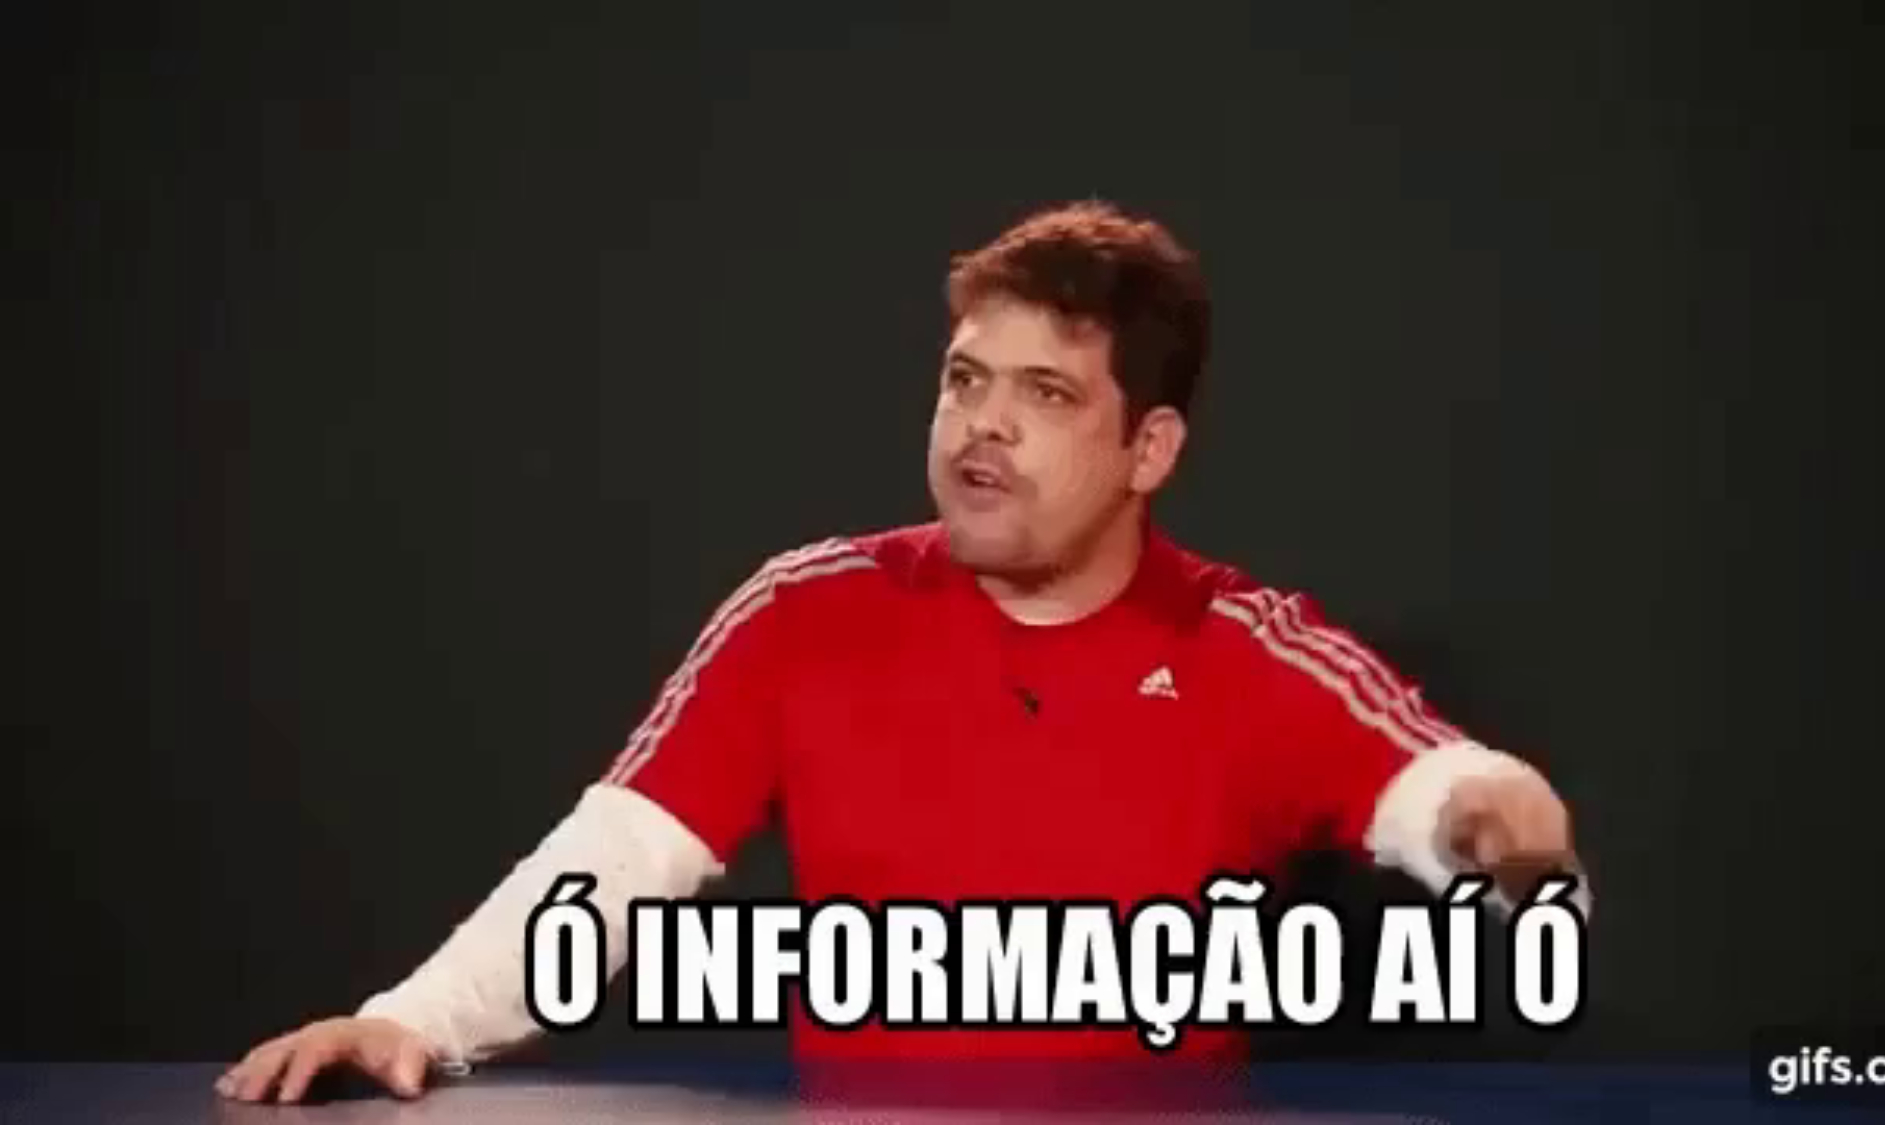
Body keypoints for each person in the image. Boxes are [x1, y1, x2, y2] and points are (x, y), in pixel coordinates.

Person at [216, 200, 1587, 1105]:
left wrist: (1510, 839)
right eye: (964, 379)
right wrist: (410, 1019)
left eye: (1045, 393)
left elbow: (1454, 792)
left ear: (1148, 448)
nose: (984, 425)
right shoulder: (805, 612)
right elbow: (617, 857)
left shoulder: (1249, 648)